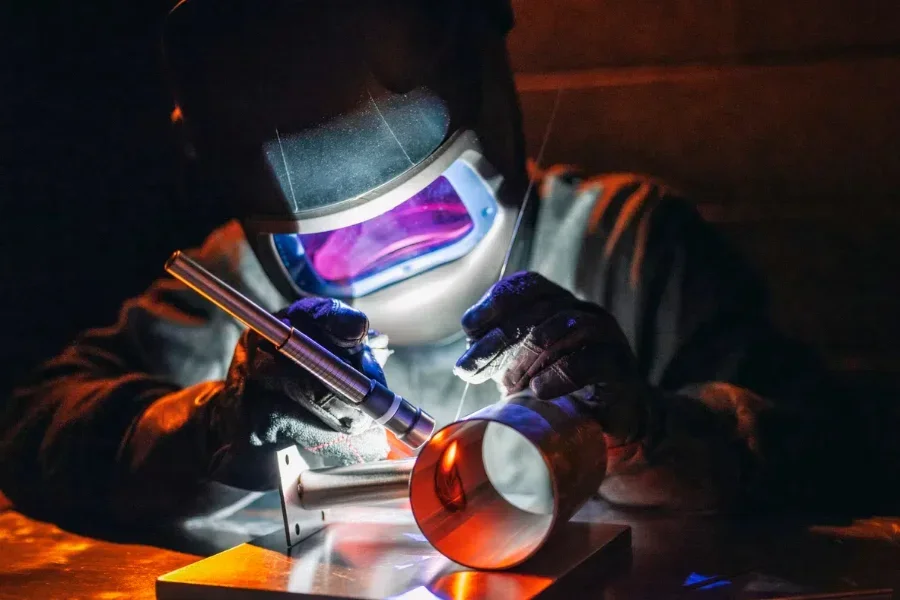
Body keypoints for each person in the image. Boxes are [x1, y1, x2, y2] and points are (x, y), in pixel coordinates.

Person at [0, 0, 866, 524]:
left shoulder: (629, 245)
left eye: (427, 208)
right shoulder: (235, 292)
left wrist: (641, 433)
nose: (382, 253)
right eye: (331, 241)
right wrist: (216, 425)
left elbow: (825, 455)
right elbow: (31, 428)